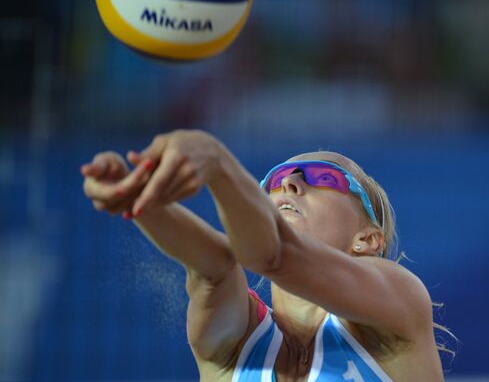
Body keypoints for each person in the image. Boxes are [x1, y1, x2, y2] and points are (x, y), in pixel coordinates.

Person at [81, 130, 446, 382]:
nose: (289, 183)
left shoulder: (401, 305)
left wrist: (217, 161)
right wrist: (138, 201)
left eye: (323, 177)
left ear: (366, 239)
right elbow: (214, 269)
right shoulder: (237, 344)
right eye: (272, 183)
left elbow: (276, 254)